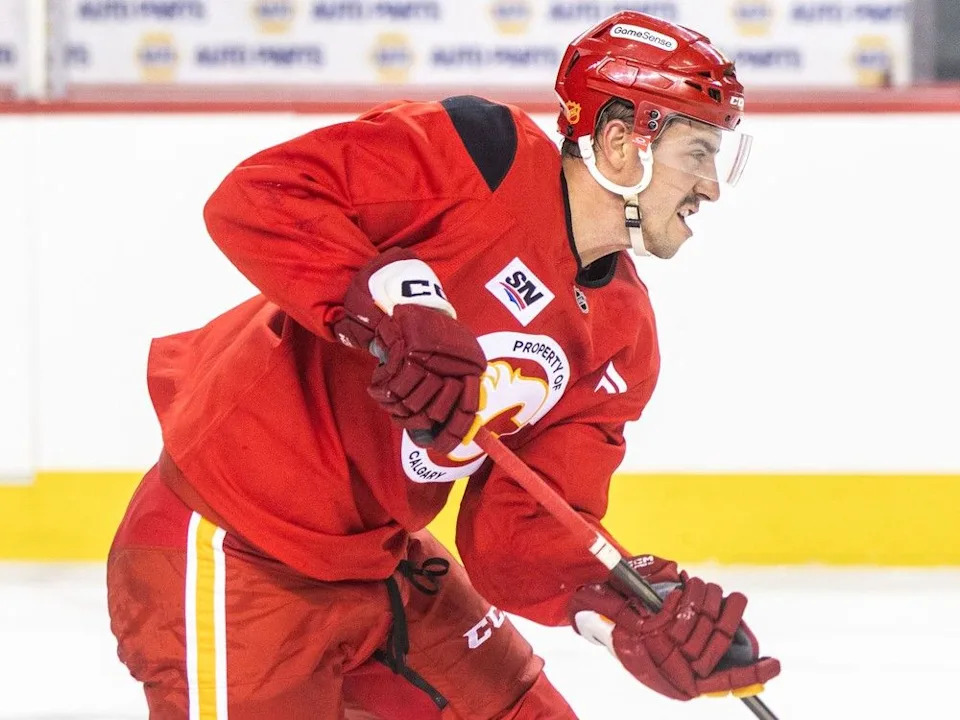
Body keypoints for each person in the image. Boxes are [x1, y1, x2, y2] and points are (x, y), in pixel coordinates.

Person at [107, 10, 780, 719]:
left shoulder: (622, 336)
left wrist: (623, 608)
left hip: (384, 563)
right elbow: (262, 195)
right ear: (621, 143)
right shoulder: (475, 156)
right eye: (698, 153)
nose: (711, 186)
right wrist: (393, 300)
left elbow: (519, 530)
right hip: (236, 545)